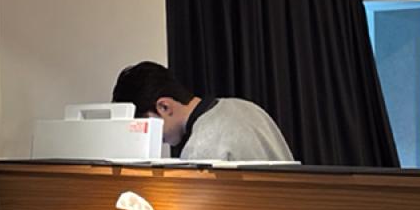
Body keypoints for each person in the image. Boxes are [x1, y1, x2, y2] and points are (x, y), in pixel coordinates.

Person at [111, 62, 294, 162]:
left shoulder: (199, 150)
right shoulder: (247, 108)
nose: (157, 139)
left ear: (164, 107)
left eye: (147, 125)